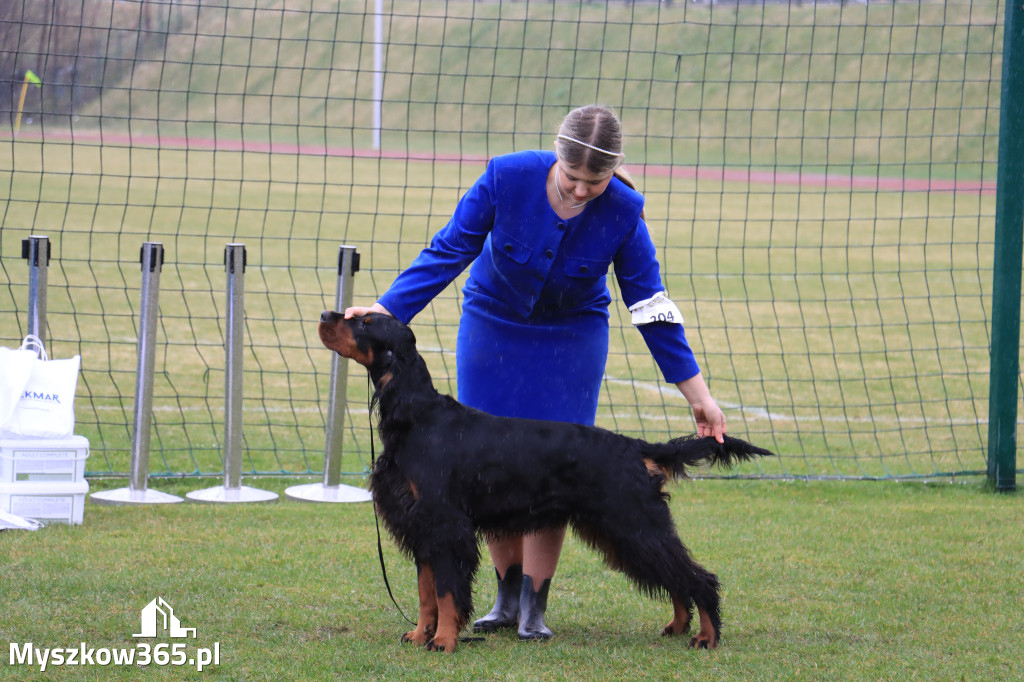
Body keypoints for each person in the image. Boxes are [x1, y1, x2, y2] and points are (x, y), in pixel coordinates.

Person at [345, 104, 727, 641]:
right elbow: (449, 250)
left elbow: (651, 307)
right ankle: (501, 598)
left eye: (594, 182)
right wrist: (385, 314)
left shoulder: (623, 209)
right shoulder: (506, 176)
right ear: (556, 157)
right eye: (571, 178)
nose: (579, 191)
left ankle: (534, 607)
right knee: (484, 468)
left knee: (555, 468)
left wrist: (699, 396)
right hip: (493, 326)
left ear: (612, 172)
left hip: (571, 338)